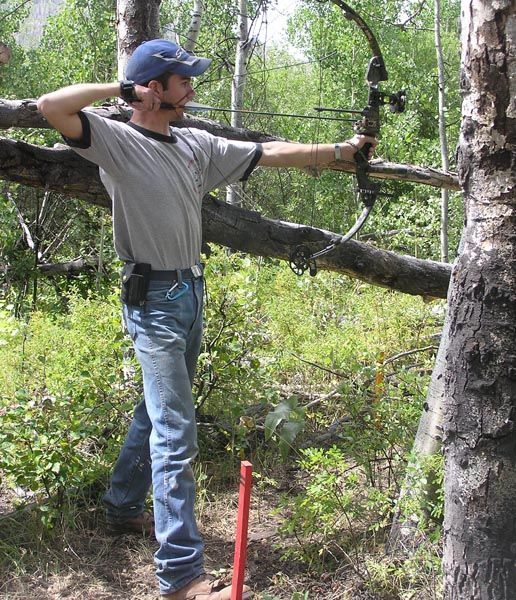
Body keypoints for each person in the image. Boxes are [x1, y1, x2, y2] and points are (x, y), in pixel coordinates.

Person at [37, 39, 377, 600]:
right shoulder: (116, 141)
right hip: (153, 300)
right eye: (182, 81)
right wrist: (123, 91)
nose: (191, 89)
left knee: (156, 411)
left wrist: (341, 152)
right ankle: (181, 579)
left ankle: (121, 507)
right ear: (153, 88)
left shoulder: (194, 144)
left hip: (188, 292)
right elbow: (54, 106)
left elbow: (270, 153)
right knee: (175, 432)